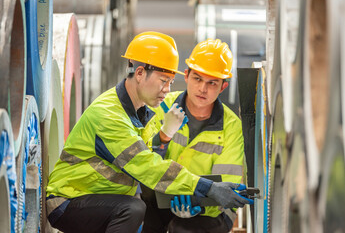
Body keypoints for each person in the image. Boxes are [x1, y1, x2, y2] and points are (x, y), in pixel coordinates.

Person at [45, 32, 248, 233]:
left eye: (170, 82)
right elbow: (147, 166)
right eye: (163, 80)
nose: (168, 89)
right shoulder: (110, 115)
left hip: (106, 197)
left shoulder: (144, 112)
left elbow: (148, 158)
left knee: (140, 210)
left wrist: (200, 202)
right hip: (73, 199)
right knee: (133, 209)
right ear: (140, 73)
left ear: (223, 87)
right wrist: (206, 187)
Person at [141, 38, 248, 233]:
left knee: (184, 229)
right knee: (137, 215)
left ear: (223, 87)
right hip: (160, 197)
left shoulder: (232, 128)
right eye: (197, 78)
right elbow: (142, 161)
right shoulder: (160, 107)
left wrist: (196, 201)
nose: (203, 89)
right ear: (187, 75)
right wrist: (162, 138)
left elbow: (226, 186)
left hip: (211, 210)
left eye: (212, 83)